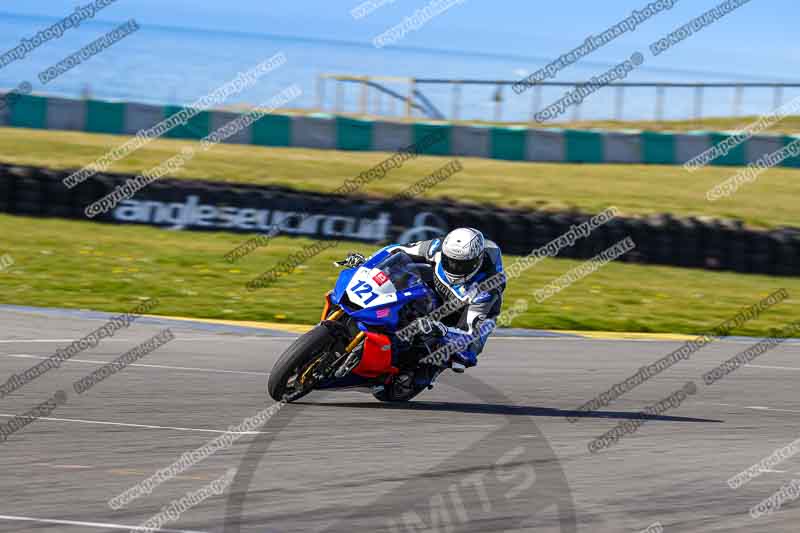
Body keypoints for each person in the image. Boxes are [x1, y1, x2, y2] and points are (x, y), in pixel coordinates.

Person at [338, 228, 505, 400]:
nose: (454, 267)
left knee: (461, 354)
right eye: (450, 261)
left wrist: (444, 331)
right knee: (402, 273)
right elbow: (395, 250)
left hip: (465, 315)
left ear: (475, 262)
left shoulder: (487, 288)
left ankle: (423, 372)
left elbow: (469, 335)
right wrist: (368, 263)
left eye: (461, 264)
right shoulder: (436, 248)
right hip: (437, 290)